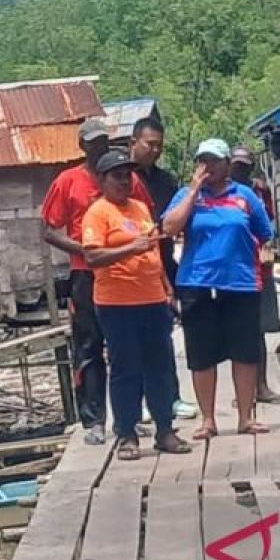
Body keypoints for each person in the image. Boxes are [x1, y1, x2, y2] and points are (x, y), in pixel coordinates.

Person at [42, 119, 153, 445]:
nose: (98, 146)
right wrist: (90, 251)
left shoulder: (125, 177)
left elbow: (148, 219)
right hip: (87, 274)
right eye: (91, 142)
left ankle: (131, 415)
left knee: (130, 345)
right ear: (82, 146)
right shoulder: (68, 181)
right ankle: (93, 420)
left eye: (103, 140)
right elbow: (49, 230)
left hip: (128, 274)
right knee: (88, 346)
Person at [83, 149, 191, 460]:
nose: (123, 181)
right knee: (125, 368)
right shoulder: (98, 213)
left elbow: (153, 253)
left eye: (127, 175)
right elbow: (92, 256)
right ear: (102, 180)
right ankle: (127, 433)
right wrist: (131, 247)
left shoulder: (141, 208)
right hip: (117, 304)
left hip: (153, 301)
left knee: (159, 367)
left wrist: (167, 290)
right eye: (116, 176)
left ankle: (165, 430)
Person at [163, 138, 274, 439]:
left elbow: (265, 232)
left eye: (213, 161)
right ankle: (208, 419)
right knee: (201, 353)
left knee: (244, 351)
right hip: (197, 283)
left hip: (239, 283)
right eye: (203, 161)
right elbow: (170, 228)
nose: (207, 167)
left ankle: (245, 418)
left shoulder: (246, 196)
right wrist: (193, 191)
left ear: (227, 165)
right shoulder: (186, 196)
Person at [130, 117, 199, 421]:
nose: (155, 151)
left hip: (164, 262)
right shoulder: (122, 178)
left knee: (163, 332)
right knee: (133, 338)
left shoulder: (166, 181)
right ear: (134, 142)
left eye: (160, 145)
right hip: (131, 268)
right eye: (150, 144)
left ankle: (170, 396)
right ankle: (140, 399)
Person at [230, 146, 280, 406]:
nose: (240, 170)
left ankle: (262, 387)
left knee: (260, 331)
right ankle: (243, 392)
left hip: (258, 268)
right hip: (232, 271)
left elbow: (268, 224)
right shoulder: (220, 192)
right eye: (236, 165)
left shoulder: (258, 192)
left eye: (245, 166)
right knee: (236, 332)